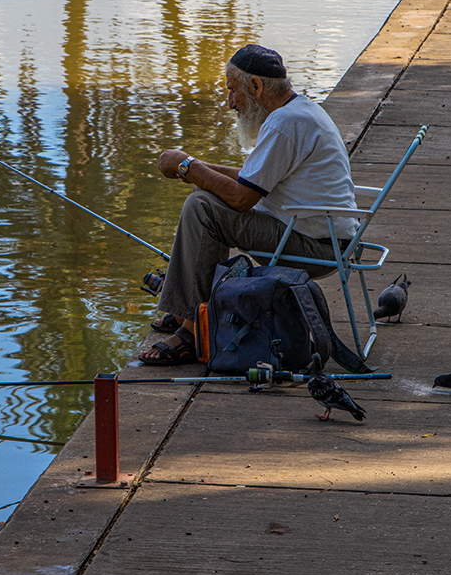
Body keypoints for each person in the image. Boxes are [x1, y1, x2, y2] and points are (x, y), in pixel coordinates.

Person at [139, 44, 360, 365]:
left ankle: (191, 329)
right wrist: (199, 166)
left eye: (233, 91)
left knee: (202, 207)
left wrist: (188, 166)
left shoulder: (285, 124)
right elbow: (250, 177)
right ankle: (191, 311)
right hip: (322, 238)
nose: (230, 103)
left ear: (256, 86)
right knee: (206, 196)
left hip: (316, 249)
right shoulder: (300, 112)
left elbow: (243, 198)